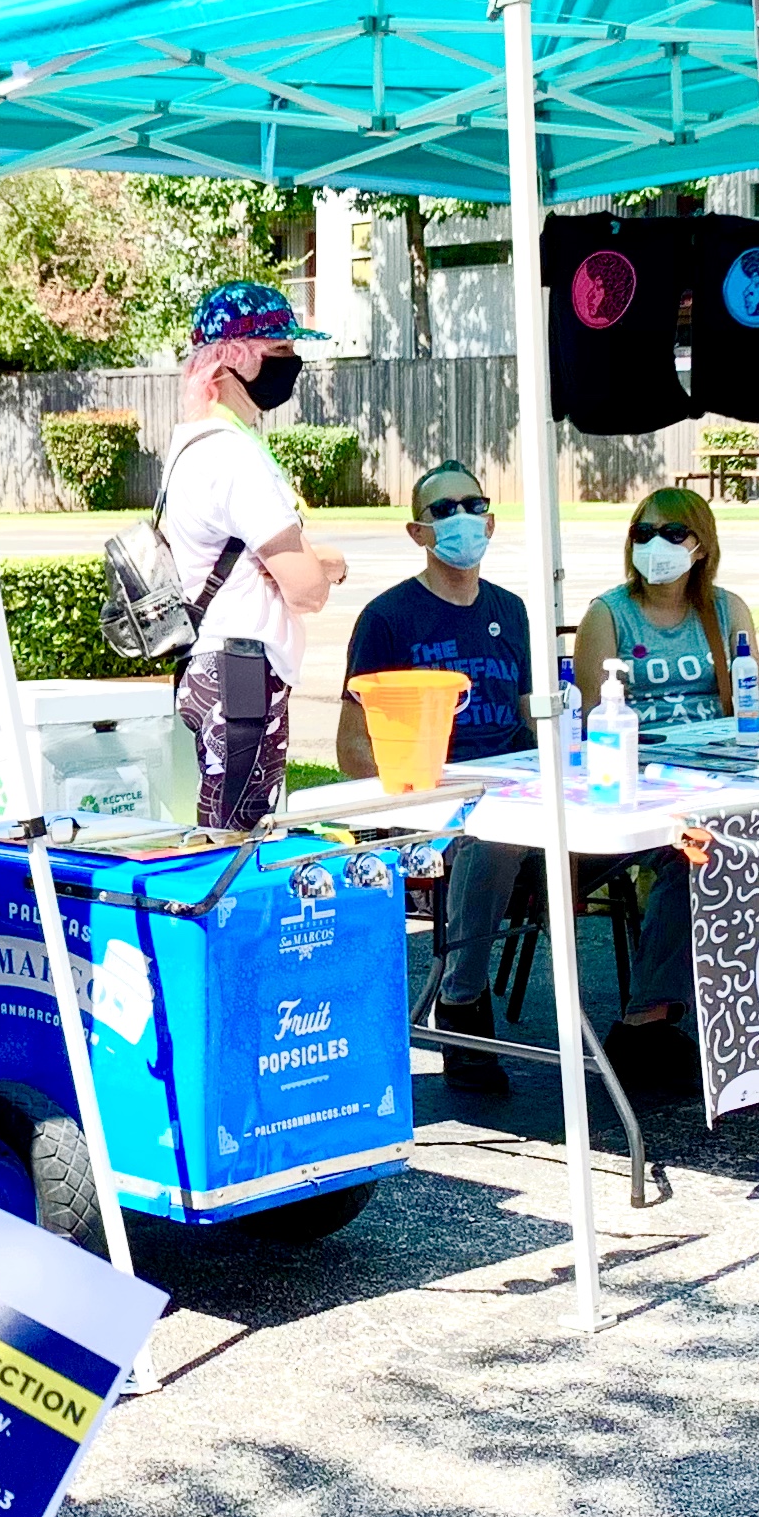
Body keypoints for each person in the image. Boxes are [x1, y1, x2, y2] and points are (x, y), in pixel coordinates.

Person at [334, 458, 533, 1098]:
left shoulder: (513, 611)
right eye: (442, 510)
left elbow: (532, 719)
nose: (460, 520)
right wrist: (419, 781)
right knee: (492, 835)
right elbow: (350, 746)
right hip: (429, 804)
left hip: (511, 785)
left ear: (492, 521)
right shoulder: (389, 618)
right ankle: (462, 1001)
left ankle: (650, 1021)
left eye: (471, 506)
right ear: (418, 532)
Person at [566, 484, 759, 1091]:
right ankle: (645, 1019)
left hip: (722, 770)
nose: (656, 545)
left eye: (672, 534)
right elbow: (593, 718)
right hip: (638, 779)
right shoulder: (609, 613)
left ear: (701, 545)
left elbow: (750, 698)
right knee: (694, 854)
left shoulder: (726, 611)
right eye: (643, 533)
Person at [156, 281, 345, 832]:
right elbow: (306, 588)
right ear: (237, 356)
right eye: (281, 350)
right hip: (242, 676)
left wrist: (307, 559)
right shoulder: (235, 455)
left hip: (207, 668)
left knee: (213, 833)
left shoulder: (191, 444)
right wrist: (324, 563)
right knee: (236, 847)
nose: (293, 363)